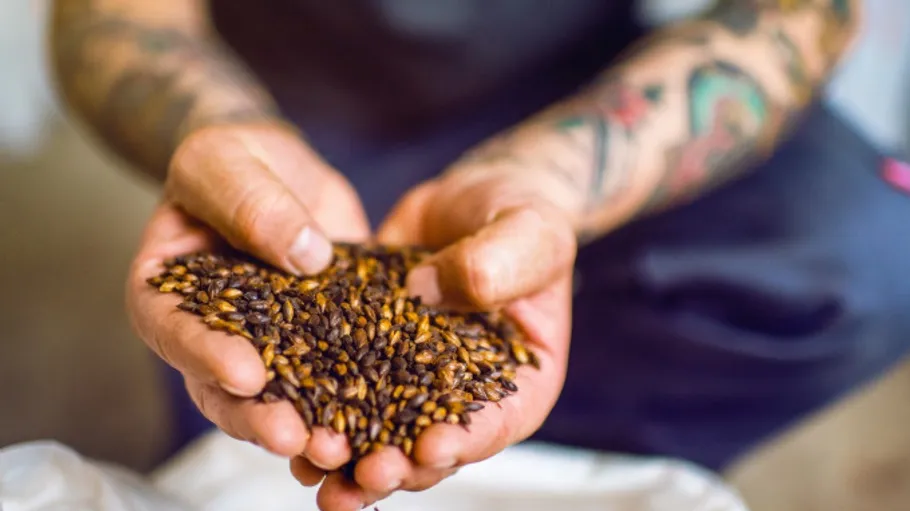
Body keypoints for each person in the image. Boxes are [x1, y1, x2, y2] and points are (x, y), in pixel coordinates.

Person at [50, 1, 910, 510]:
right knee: (248, 413)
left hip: (591, 94)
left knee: (868, 248)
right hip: (279, 111)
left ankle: (582, 452)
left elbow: (806, 11)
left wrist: (557, 177)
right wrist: (218, 135)